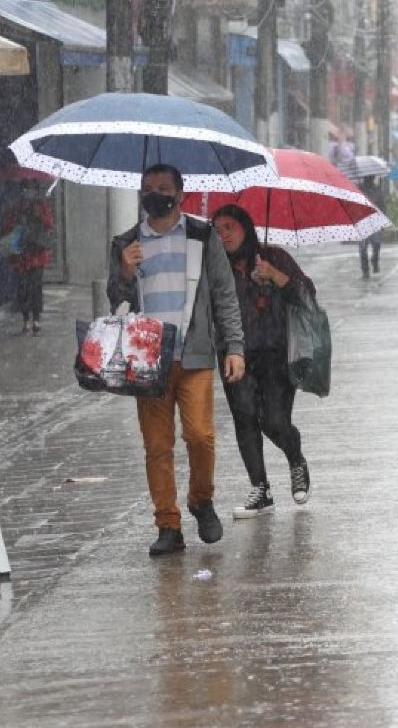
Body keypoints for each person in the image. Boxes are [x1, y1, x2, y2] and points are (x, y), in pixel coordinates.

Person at [108, 164, 246, 556]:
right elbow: (113, 298)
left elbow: (224, 295)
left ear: (180, 194)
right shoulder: (126, 242)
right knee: (157, 446)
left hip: (194, 353)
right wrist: (124, 270)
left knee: (200, 436)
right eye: (148, 188)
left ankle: (201, 499)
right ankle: (167, 524)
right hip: (146, 361)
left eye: (164, 188)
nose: (156, 194)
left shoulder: (202, 236)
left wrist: (234, 347)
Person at [212, 204, 314, 518]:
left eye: (230, 226)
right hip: (234, 353)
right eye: (218, 229)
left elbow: (307, 295)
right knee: (244, 418)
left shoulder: (274, 257)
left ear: (246, 227)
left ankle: (295, 457)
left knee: (273, 420)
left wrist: (274, 276)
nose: (223, 234)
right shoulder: (216, 267)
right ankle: (261, 489)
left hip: (276, 353)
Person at [1, 180, 53, 333]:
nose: (28, 191)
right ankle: (26, 319)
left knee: (36, 287)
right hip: (22, 255)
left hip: (36, 254)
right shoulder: (16, 207)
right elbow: (7, 225)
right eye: (26, 188)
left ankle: (36, 318)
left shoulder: (41, 206)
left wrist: (38, 218)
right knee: (23, 288)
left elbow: (48, 224)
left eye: (31, 188)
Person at [358, 176, 385, 276]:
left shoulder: (377, 189)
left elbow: (382, 205)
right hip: (362, 222)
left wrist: (383, 221)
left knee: (377, 243)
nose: (369, 179)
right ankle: (365, 269)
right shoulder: (358, 189)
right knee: (363, 248)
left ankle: (375, 260)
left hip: (375, 221)